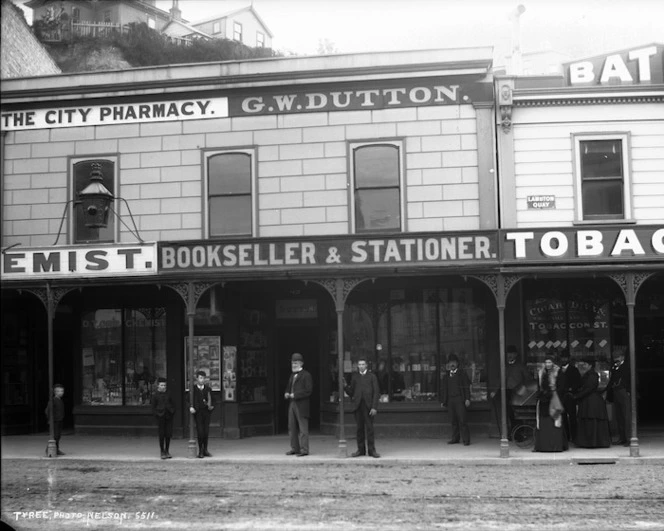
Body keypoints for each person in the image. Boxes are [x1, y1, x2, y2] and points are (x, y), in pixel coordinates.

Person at [490, 345, 530, 439]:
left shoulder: (520, 366)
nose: (510, 355)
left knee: (518, 414)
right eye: (508, 353)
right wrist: (495, 391)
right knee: (509, 414)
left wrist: (524, 390)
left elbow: (528, 379)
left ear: (516, 354)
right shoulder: (505, 367)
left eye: (512, 353)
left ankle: (519, 434)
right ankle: (511, 433)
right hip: (507, 393)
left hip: (518, 393)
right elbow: (500, 380)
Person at [346, 357, 381, 458]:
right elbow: (351, 392)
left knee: (369, 428)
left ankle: (371, 450)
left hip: (368, 406)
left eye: (363, 364)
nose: (361, 366)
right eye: (359, 364)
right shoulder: (355, 377)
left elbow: (376, 392)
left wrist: (374, 407)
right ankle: (360, 450)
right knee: (359, 429)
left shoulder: (372, 377)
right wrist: (345, 386)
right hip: (358, 405)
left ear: (366, 365)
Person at [573, 358, 611, 448]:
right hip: (588, 400)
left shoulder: (592, 375)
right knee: (588, 421)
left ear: (590, 366)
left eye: (585, 364)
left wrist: (577, 396)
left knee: (591, 420)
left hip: (591, 401)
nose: (583, 366)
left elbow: (589, 388)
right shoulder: (588, 374)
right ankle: (588, 442)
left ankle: (593, 442)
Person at [533, 354, 567, 452]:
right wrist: (541, 395)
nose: (548, 364)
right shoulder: (541, 373)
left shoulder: (559, 373)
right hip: (544, 402)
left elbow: (561, 387)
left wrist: (553, 394)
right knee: (544, 424)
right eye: (546, 362)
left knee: (555, 423)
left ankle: (556, 446)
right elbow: (539, 387)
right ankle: (543, 446)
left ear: (553, 363)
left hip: (554, 401)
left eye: (550, 362)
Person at [284, 353, 312, 457]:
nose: (293, 365)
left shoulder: (306, 375)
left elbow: (308, 391)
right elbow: (288, 387)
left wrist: (295, 395)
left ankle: (304, 449)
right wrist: (287, 393)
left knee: (303, 428)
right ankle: (295, 448)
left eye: (295, 363)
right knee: (291, 427)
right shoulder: (292, 375)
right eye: (292, 363)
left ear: (301, 363)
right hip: (292, 403)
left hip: (301, 404)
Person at [441, 354, 471, 446]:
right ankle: (455, 438)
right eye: (450, 362)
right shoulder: (446, 376)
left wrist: (467, 399)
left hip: (459, 399)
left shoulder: (462, 374)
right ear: (448, 364)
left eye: (454, 362)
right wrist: (444, 401)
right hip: (450, 400)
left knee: (462, 420)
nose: (452, 364)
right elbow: (444, 389)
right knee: (453, 420)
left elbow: (466, 387)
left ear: (457, 364)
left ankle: (466, 440)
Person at [606, 351, 631, 447]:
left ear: (622, 357)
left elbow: (630, 379)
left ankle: (629, 438)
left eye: (617, 356)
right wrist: (606, 390)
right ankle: (622, 437)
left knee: (626, 416)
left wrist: (628, 391)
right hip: (616, 391)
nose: (615, 358)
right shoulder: (615, 366)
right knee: (619, 415)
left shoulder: (627, 366)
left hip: (624, 391)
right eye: (614, 357)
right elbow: (612, 380)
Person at [556, 350, 581, 442]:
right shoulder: (557, 370)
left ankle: (574, 437)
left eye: (565, 358)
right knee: (562, 417)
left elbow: (578, 383)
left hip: (570, 396)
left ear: (569, 359)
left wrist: (571, 390)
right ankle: (566, 436)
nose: (564, 359)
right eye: (562, 358)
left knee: (572, 417)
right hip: (561, 397)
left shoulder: (574, 369)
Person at [189, 370, 214, 458]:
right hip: (198, 412)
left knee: (206, 431)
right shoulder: (194, 389)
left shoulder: (208, 389)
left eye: (203, 378)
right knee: (200, 432)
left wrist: (210, 407)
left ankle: (205, 449)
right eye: (200, 378)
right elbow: (189, 400)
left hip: (206, 412)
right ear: (197, 379)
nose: (202, 380)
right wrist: (191, 407)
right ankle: (200, 450)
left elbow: (212, 400)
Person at [151, 377, 175, 459]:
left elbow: (173, 403)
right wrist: (157, 415)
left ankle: (167, 450)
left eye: (164, 385)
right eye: (161, 385)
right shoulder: (155, 395)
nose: (163, 386)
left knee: (168, 434)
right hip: (160, 416)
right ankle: (162, 451)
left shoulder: (169, 394)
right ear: (158, 386)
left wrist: (172, 411)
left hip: (168, 416)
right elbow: (153, 407)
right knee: (161, 434)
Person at [44, 383, 66, 456]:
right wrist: (50, 419)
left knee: (58, 435)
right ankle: (49, 450)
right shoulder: (53, 400)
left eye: (62, 391)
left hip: (59, 420)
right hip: (55, 421)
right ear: (55, 392)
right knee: (55, 436)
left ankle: (57, 449)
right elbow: (48, 410)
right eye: (59, 391)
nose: (61, 393)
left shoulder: (60, 400)